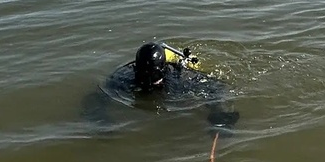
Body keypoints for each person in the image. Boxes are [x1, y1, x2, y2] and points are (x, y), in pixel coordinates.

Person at [83, 42, 239, 132]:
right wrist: (101, 120)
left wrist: (219, 113)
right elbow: (98, 97)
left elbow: (215, 87)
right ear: (136, 69)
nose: (147, 79)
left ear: (162, 71)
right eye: (143, 74)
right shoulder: (125, 77)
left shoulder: (177, 78)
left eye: (152, 75)